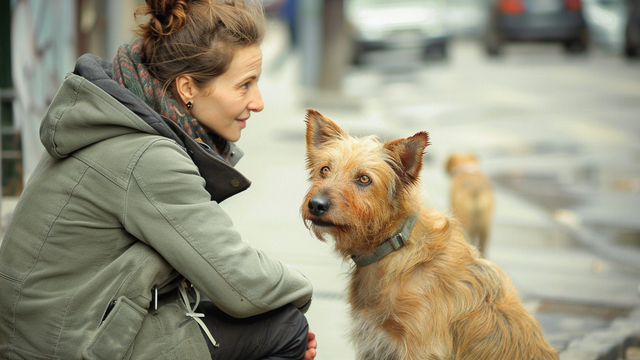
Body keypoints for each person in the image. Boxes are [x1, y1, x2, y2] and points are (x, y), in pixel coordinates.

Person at [0, 0, 317, 359]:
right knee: (287, 328)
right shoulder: (148, 156)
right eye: (244, 85)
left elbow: (210, 267)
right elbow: (239, 281)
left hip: (55, 329)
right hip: (66, 345)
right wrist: (304, 291)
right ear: (186, 89)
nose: (257, 102)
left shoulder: (123, 121)